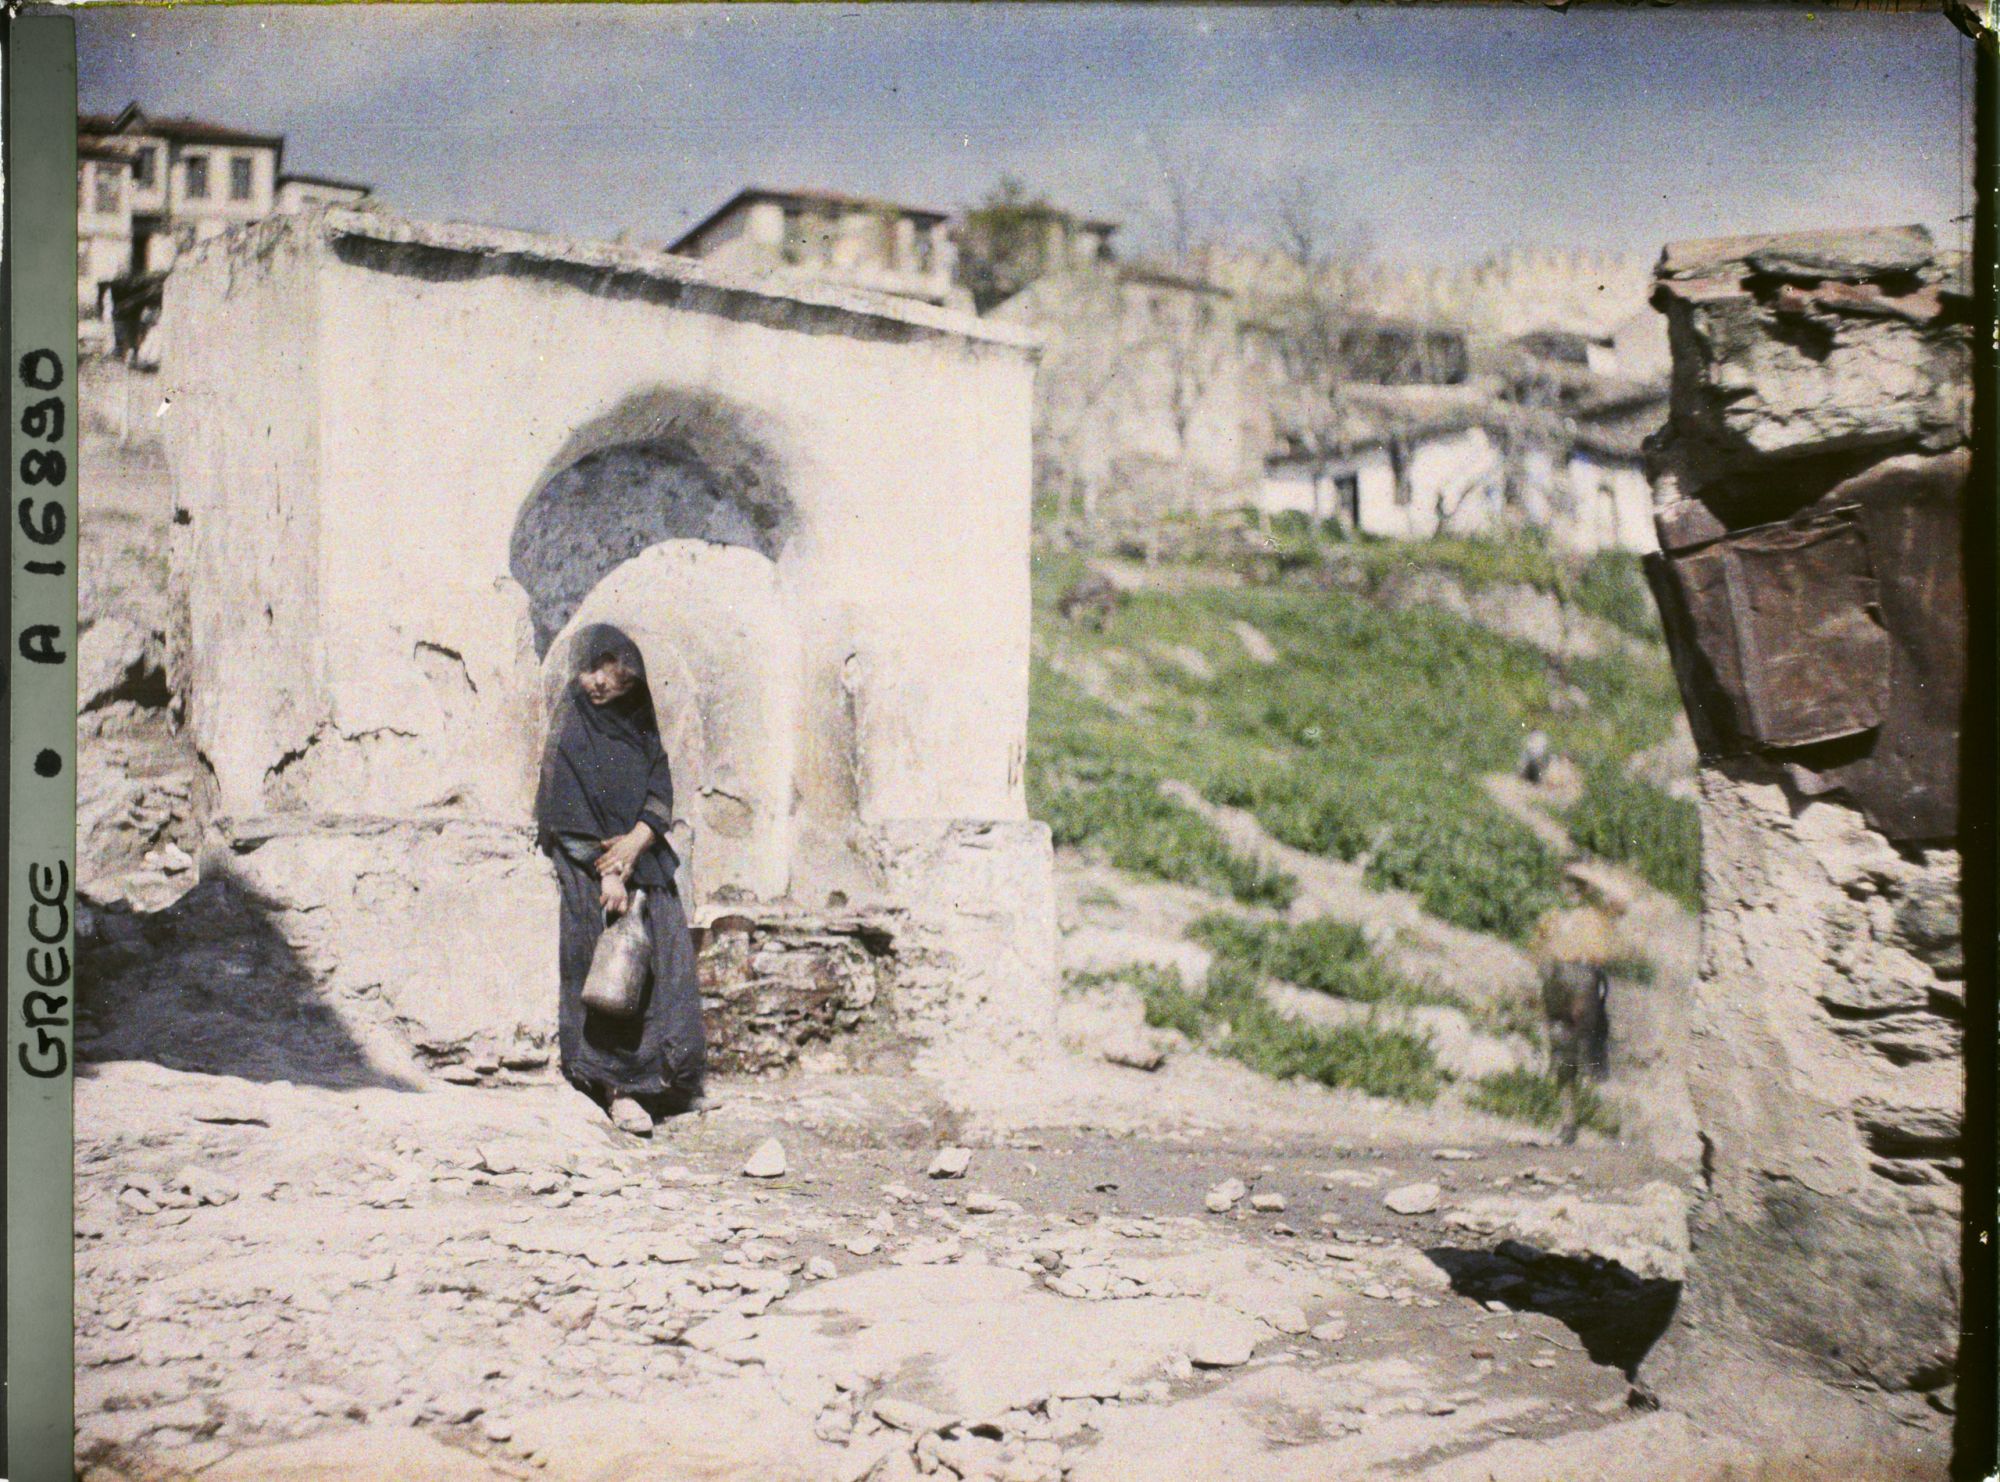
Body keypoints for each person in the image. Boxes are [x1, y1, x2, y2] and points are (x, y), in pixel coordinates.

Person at [534, 623, 707, 1135]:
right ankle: (616, 1090)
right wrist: (609, 871)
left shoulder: (639, 726)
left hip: (639, 856)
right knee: (608, 966)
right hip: (592, 867)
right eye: (596, 676)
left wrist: (636, 841)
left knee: (664, 956)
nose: (601, 688)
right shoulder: (571, 731)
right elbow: (563, 811)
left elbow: (659, 788)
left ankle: (663, 1086)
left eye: (619, 683)